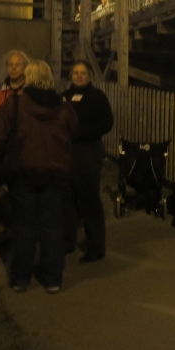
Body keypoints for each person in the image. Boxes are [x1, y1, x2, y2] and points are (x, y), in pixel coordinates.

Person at [0, 60, 77, 293]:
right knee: (52, 226)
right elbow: (73, 138)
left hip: (23, 174)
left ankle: (20, 278)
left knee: (24, 226)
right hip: (55, 175)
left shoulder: (14, 105)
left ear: (28, 78)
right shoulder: (65, 108)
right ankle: (53, 278)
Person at [61, 61, 114, 262]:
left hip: (89, 153)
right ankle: (68, 240)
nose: (79, 76)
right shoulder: (64, 97)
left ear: (89, 76)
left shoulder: (97, 97)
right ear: (71, 76)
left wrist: (82, 133)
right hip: (67, 154)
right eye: (76, 72)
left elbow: (107, 122)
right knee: (67, 198)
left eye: (83, 73)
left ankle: (96, 246)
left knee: (89, 200)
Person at [0, 50, 29, 129]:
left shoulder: (31, 92)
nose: (13, 68)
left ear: (25, 67)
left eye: (17, 65)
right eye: (10, 65)